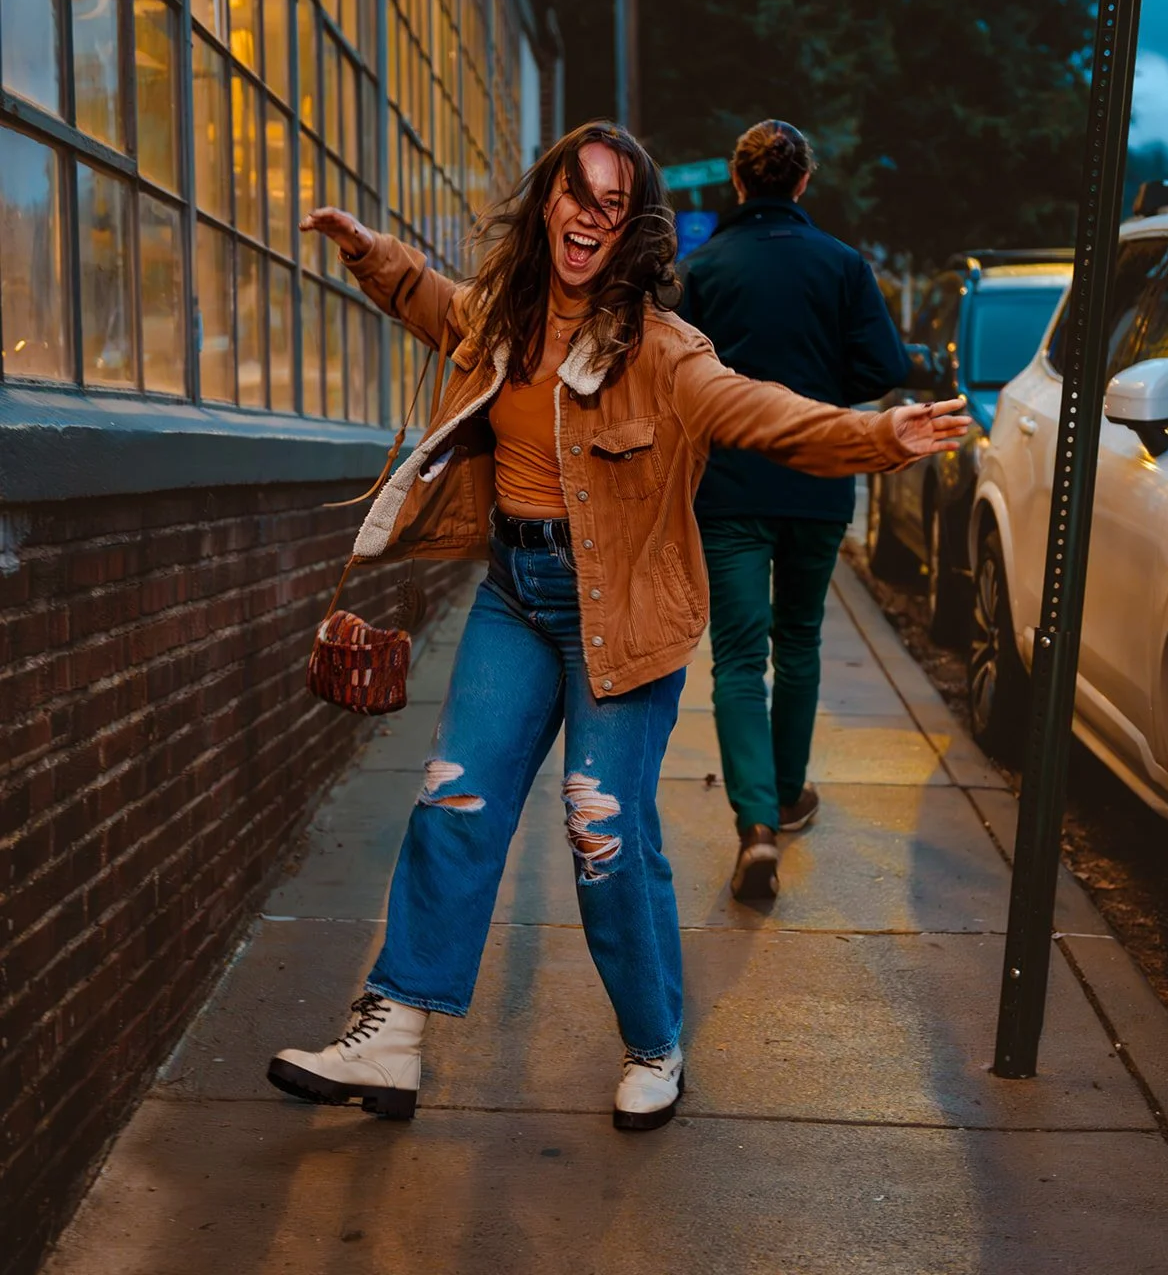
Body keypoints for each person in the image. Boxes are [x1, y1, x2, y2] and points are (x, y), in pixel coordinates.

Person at [268, 121, 964, 1132]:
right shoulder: (500, 318)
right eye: (574, 195)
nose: (587, 220)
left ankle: (654, 1042)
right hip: (516, 591)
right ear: (548, 199)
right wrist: (365, 249)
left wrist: (875, 435)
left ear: (630, 227)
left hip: (623, 612)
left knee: (604, 832)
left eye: (611, 206)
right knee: (453, 800)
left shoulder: (664, 352)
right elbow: (431, 301)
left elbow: (761, 412)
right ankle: (394, 1036)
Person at [678, 119, 910, 902]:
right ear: (803, 182)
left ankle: (755, 828)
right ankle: (786, 792)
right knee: (800, 638)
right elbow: (884, 366)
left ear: (739, 184)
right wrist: (820, 385)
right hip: (818, 484)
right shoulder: (843, 265)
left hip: (731, 490)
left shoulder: (701, 268)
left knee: (739, 657)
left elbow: (674, 377)